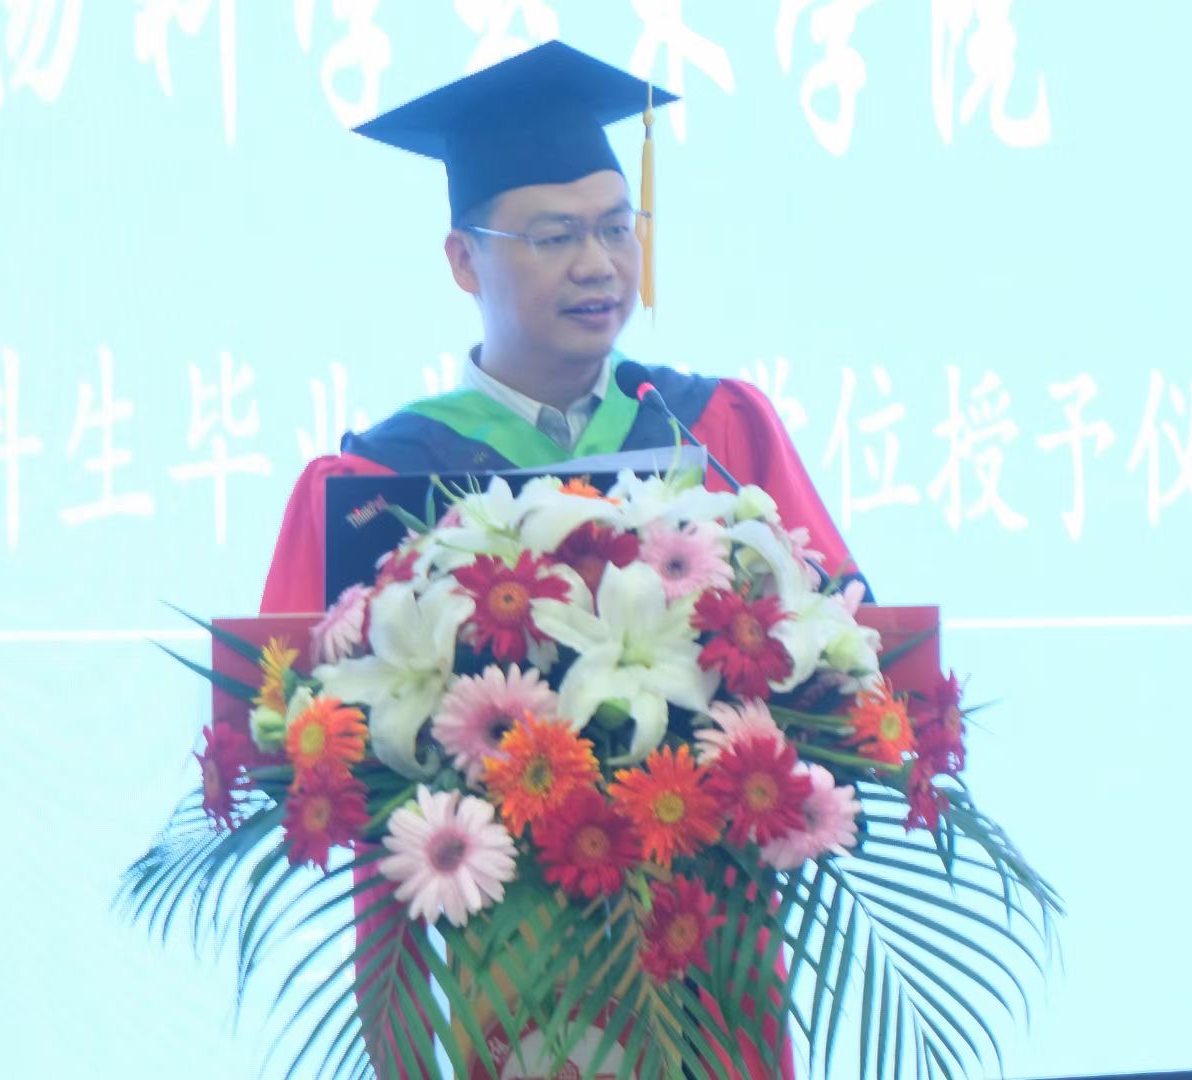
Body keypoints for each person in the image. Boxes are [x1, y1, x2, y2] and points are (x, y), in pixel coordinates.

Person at [258, 40, 861, 1079]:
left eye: (617, 228)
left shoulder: (717, 429)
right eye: (554, 235)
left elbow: (848, 651)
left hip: (700, 942)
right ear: (464, 260)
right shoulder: (375, 481)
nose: (598, 264)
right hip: (484, 951)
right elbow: (284, 730)